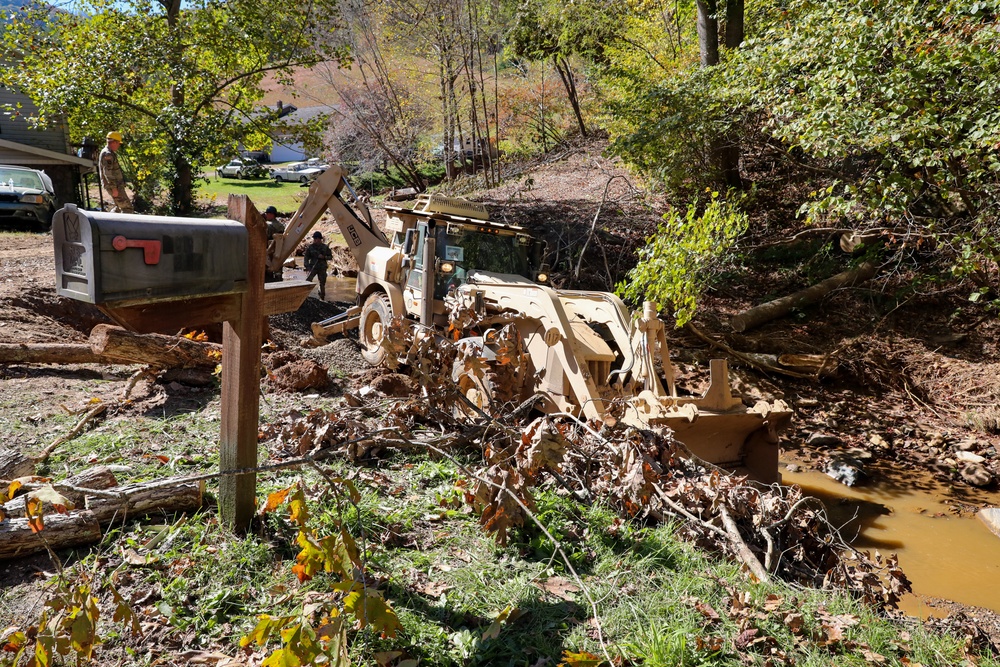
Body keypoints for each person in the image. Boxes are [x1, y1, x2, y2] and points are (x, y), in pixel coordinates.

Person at [98, 131, 134, 213]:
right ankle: (124, 225)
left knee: (118, 207)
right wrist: (114, 188)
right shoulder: (108, 154)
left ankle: (109, 223)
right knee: (127, 208)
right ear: (114, 142)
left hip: (115, 185)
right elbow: (108, 173)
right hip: (114, 186)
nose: (119, 145)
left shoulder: (108, 152)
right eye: (118, 143)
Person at [303, 231, 333, 300]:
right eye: (314, 238)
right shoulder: (310, 247)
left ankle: (322, 298)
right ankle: (304, 297)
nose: (315, 240)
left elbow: (330, 257)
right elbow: (306, 257)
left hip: (322, 268)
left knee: (322, 283)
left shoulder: (325, 247)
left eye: (316, 238)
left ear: (320, 239)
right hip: (312, 267)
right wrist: (307, 266)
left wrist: (324, 257)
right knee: (308, 281)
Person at [263, 205, 286, 283]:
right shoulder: (280, 226)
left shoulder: (268, 225)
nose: (266, 215)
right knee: (278, 271)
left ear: (272, 214)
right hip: (278, 250)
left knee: (267, 272)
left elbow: (264, 237)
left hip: (268, 250)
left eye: (267, 213)